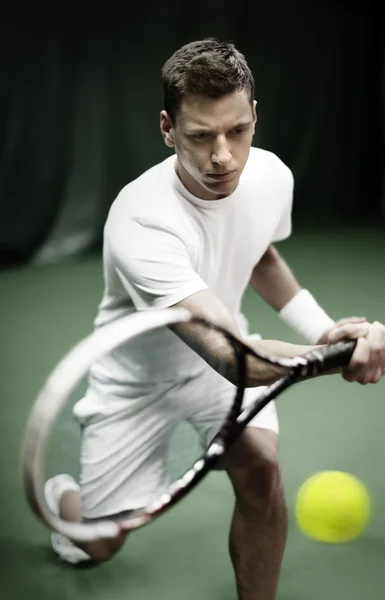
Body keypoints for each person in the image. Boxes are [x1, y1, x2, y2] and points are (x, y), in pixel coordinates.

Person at [44, 38, 385, 599]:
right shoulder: (141, 220)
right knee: (100, 544)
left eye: (237, 131)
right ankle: (68, 502)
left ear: (255, 116)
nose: (222, 155)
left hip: (217, 361)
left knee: (260, 474)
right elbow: (233, 356)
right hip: (139, 384)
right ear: (167, 128)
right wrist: (339, 355)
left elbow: (262, 256)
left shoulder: (271, 177)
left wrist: (324, 331)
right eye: (201, 136)